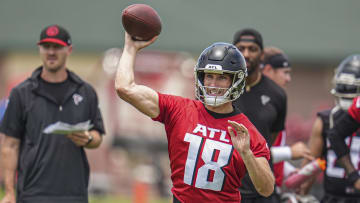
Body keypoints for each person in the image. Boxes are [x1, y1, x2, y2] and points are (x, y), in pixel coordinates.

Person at [115, 32, 275, 202]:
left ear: (235, 81)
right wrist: (130, 49)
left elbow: (266, 189)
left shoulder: (245, 131)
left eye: (221, 78)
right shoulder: (179, 110)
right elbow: (125, 88)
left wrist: (246, 153)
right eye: (209, 76)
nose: (213, 84)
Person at [0, 24, 105, 203]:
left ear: (69, 49)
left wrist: (87, 138)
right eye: (46, 47)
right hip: (32, 193)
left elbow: (97, 135)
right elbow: (10, 146)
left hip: (74, 193)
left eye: (57, 47)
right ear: (39, 49)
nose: (51, 52)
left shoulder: (85, 91)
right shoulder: (22, 93)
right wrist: (9, 192)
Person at [232, 28, 287, 202]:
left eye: (252, 49)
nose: (246, 54)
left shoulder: (277, 94)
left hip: (261, 190)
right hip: (227, 188)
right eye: (241, 48)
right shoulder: (222, 88)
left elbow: (270, 138)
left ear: (261, 54)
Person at [310, 54, 360, 202]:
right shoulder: (326, 119)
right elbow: (311, 165)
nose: (346, 90)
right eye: (343, 87)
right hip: (333, 197)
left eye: (350, 87)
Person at [262, 46, 313, 190]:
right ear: (268, 71)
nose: (288, 79)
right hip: (254, 192)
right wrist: (289, 152)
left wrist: (289, 171)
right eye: (285, 73)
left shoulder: (276, 102)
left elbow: (271, 151)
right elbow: (252, 154)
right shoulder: (259, 107)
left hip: (270, 189)